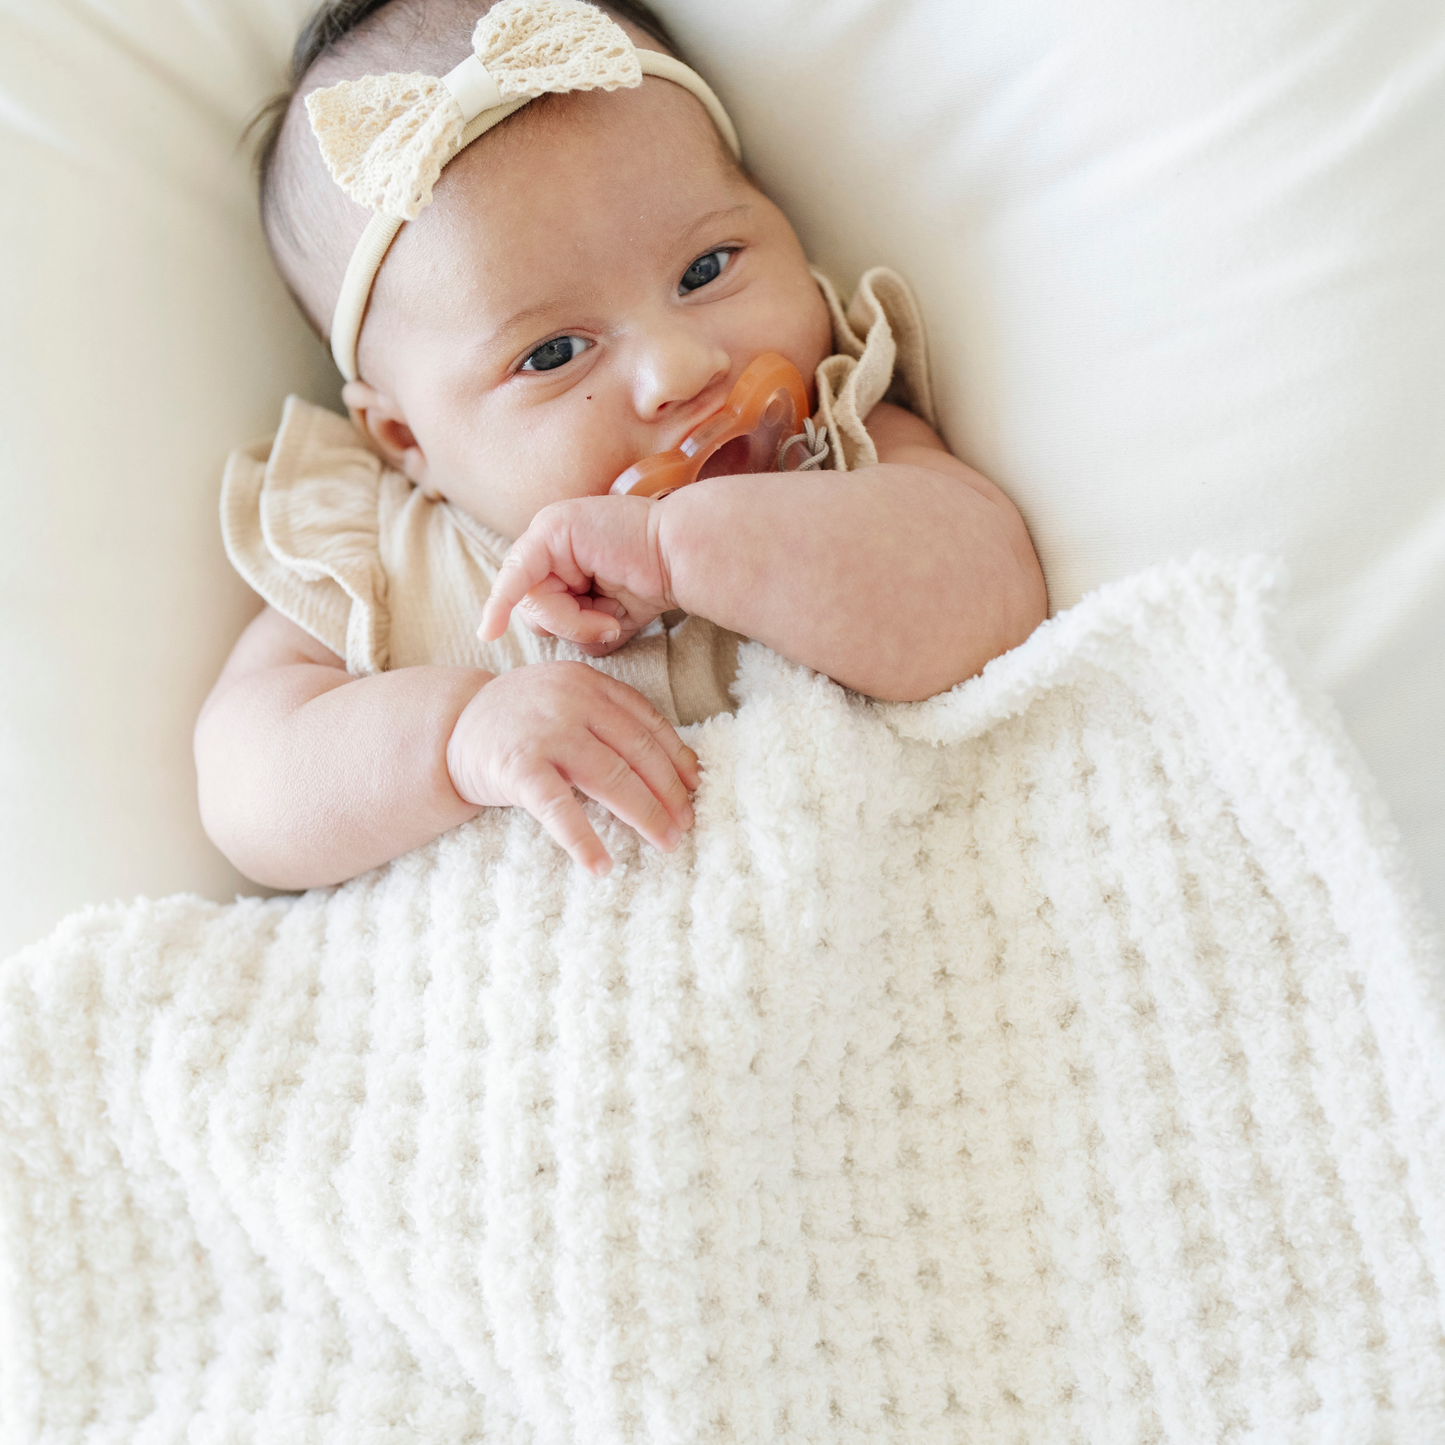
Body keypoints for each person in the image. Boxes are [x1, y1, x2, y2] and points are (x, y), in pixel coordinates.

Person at [195, 0, 1048, 889]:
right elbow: (245, 789)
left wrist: (687, 548)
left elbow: (995, 599)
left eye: (706, 268)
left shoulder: (835, 439)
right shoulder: (375, 558)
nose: (680, 368)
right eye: (554, 353)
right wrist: (456, 738)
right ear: (407, 439)